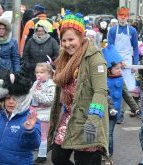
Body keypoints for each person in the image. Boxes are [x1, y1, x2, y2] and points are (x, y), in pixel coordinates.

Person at [47, 10, 108, 165]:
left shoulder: (95, 59)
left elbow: (100, 92)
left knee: (85, 161)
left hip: (88, 120)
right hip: (69, 118)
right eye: (63, 40)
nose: (67, 44)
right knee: (58, 158)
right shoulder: (64, 59)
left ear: (81, 37)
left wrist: (93, 120)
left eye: (71, 39)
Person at [0, 72, 41, 165]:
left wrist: (30, 131)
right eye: (8, 98)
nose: (11, 102)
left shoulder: (30, 119)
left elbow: (34, 145)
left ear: (23, 99)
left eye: (15, 98)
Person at [102, 45, 139, 164]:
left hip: (114, 112)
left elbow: (127, 95)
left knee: (109, 134)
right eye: (117, 68)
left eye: (120, 68)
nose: (119, 70)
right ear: (108, 69)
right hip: (101, 111)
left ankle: (108, 155)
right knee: (101, 134)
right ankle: (101, 152)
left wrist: (135, 108)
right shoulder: (101, 80)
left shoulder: (121, 80)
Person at [108, 7, 139, 124]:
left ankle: (120, 114)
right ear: (117, 16)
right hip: (115, 61)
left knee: (125, 90)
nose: (123, 17)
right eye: (121, 15)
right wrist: (116, 61)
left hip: (127, 61)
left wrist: (135, 64)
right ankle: (114, 112)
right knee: (114, 87)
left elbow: (135, 48)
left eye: (125, 15)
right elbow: (110, 47)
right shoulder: (112, 30)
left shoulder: (132, 31)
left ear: (128, 17)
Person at [30, 63, 56, 164]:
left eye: (42, 72)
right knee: (33, 131)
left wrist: (36, 94)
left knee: (43, 135)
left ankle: (42, 155)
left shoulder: (51, 85)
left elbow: (49, 100)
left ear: (49, 73)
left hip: (44, 113)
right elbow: (31, 95)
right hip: (34, 112)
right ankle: (36, 147)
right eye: (37, 72)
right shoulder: (36, 83)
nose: (39, 74)